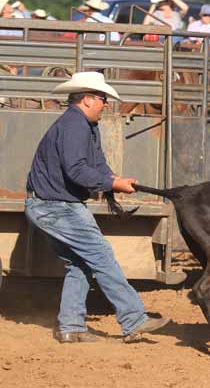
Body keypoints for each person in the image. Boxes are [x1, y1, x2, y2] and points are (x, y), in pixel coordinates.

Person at [24, 72, 170, 343]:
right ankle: (134, 319)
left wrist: (115, 181)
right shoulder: (75, 126)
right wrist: (112, 184)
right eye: (103, 99)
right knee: (101, 255)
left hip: (50, 204)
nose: (106, 104)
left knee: (79, 264)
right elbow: (77, 170)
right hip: (56, 206)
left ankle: (71, 326)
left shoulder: (84, 125)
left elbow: (97, 164)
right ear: (88, 99)